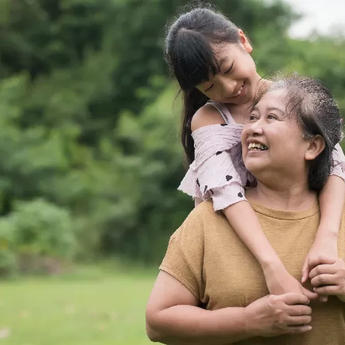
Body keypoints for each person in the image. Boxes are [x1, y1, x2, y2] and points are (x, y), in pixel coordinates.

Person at [146, 75, 345, 344]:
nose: (253, 128)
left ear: (312, 146)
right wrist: (249, 321)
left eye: (271, 118)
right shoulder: (208, 219)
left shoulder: (337, 214)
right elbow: (158, 323)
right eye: (252, 117)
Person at [164, 6, 345, 298]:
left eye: (228, 69)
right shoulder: (210, 118)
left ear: (243, 41)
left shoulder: (291, 99)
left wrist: (327, 238)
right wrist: (270, 265)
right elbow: (227, 191)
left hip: (299, 220)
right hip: (239, 239)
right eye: (211, 85)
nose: (229, 87)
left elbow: (336, 166)